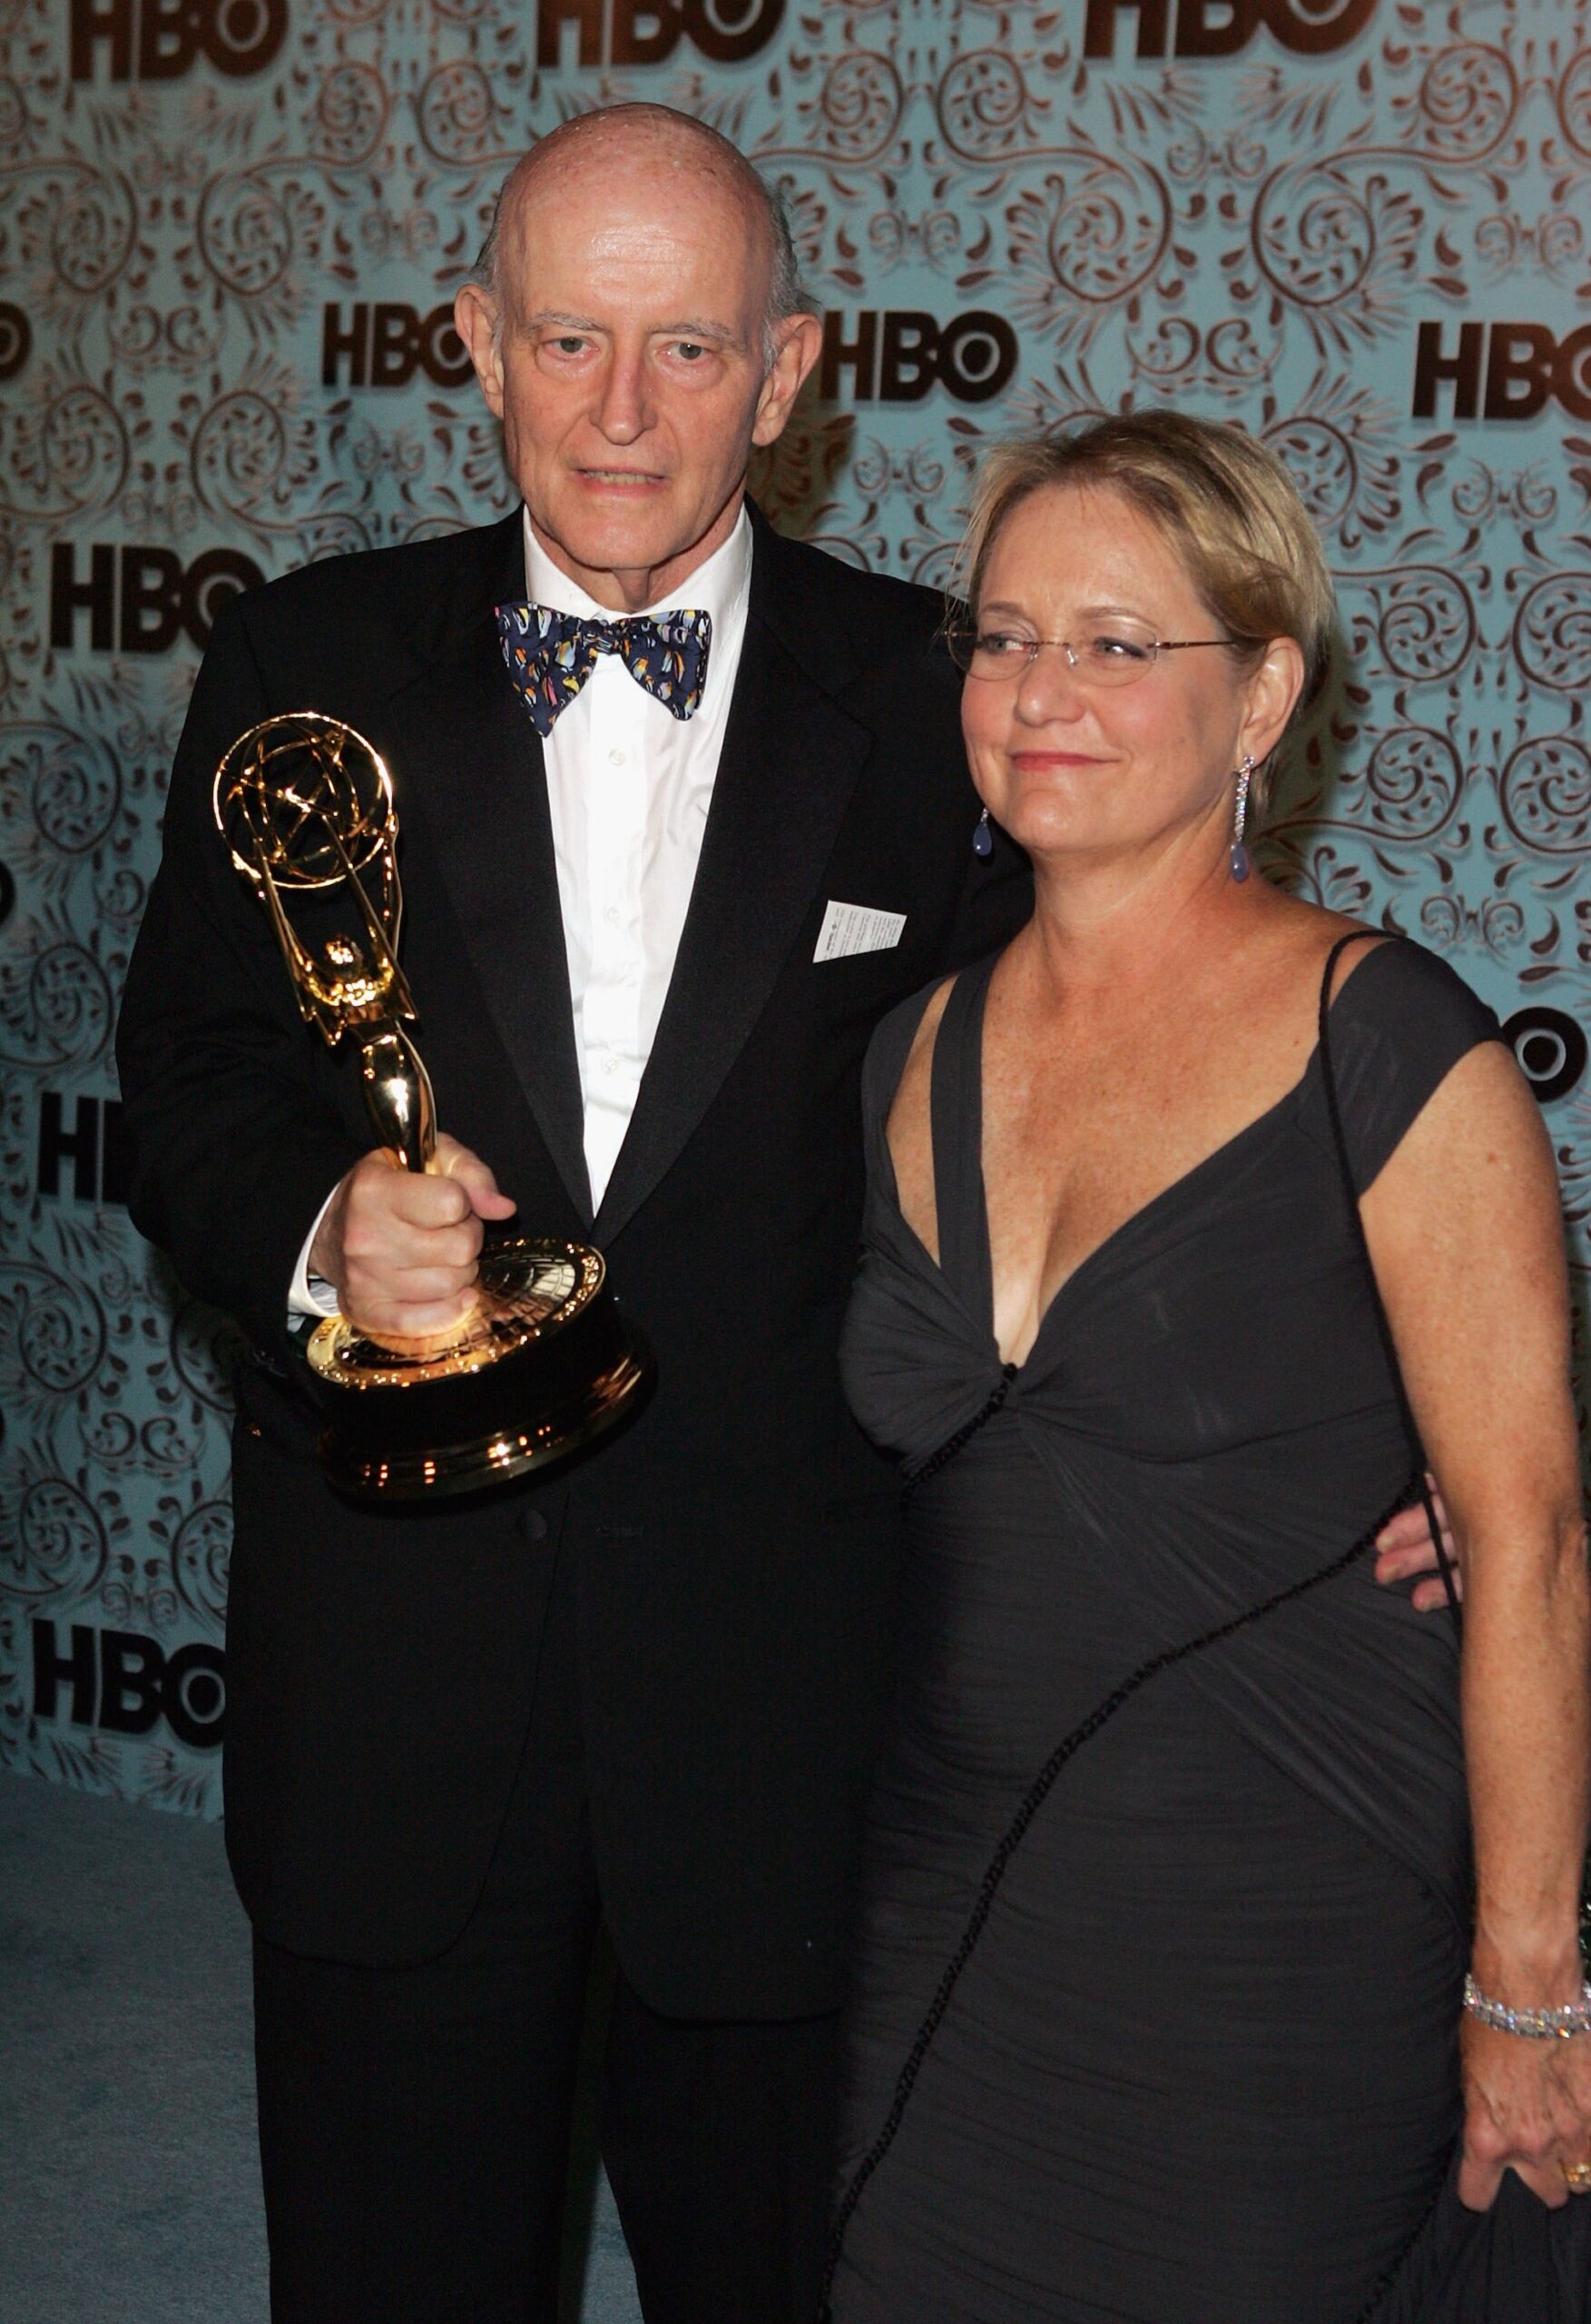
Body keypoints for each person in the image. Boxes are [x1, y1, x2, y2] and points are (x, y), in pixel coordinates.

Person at [115, 109, 1456, 2324]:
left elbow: (1142, 1076)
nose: (621, 413)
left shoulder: (951, 697)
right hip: (397, 1667)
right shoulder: (302, 665)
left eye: (689, 347)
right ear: (476, 344)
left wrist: (1389, 1416)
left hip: (790, 1700)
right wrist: (324, 1218)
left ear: (791, 370)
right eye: (567, 339)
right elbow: (189, 1071)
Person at [827, 413, 1591, 2322]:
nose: (1038, 693)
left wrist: (1525, 1984)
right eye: (1003, 637)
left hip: (1284, 1900)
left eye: (1113, 642)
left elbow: (1525, 1540)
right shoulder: (906, 1046)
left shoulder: (1388, 1044)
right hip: (950, 1882)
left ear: (1258, 696)